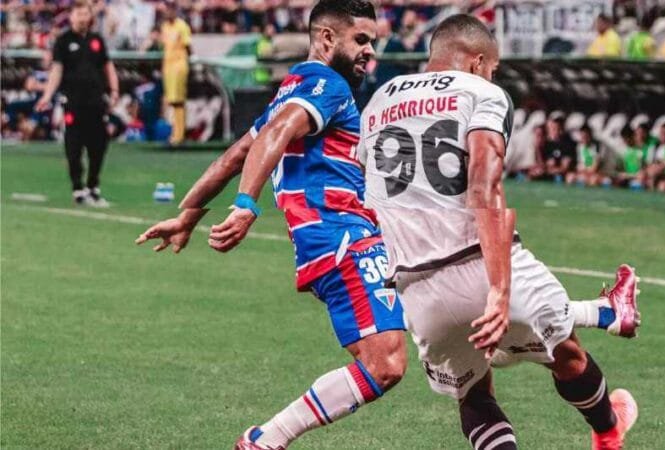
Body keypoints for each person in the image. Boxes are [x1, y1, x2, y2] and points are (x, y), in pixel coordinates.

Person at [136, 4, 638, 449]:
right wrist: (245, 204)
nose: (370, 52)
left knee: (469, 370)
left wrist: (190, 210)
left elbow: (242, 148)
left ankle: (606, 312)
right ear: (327, 38)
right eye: (362, 40)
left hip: (380, 262)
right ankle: (266, 439)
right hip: (360, 240)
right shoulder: (329, 86)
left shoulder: (338, 92)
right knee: (405, 361)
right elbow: (279, 134)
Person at [359, 14, 638, 450]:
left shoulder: (379, 100)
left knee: (473, 392)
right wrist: (499, 290)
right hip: (479, 261)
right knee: (568, 356)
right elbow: (484, 183)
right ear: (476, 61)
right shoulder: (482, 92)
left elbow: (366, 184)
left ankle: (608, 313)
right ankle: (607, 433)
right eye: (493, 67)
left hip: (415, 286)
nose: (493, 75)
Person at [35, 0, 118, 206]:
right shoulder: (63, 41)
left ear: (90, 16)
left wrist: (114, 90)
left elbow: (108, 67)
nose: (82, 18)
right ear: (71, 16)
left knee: (98, 146)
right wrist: (46, 96)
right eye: (78, 14)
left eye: (85, 14)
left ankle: (93, 186)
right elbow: (57, 70)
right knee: (73, 147)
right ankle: (78, 188)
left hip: (97, 102)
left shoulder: (97, 40)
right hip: (73, 102)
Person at [160, 0, 191, 146]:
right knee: (172, 101)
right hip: (168, 67)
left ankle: (179, 135)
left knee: (178, 101)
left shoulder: (182, 26)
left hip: (179, 66)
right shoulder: (165, 27)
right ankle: (175, 133)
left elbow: (188, 46)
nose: (168, 11)